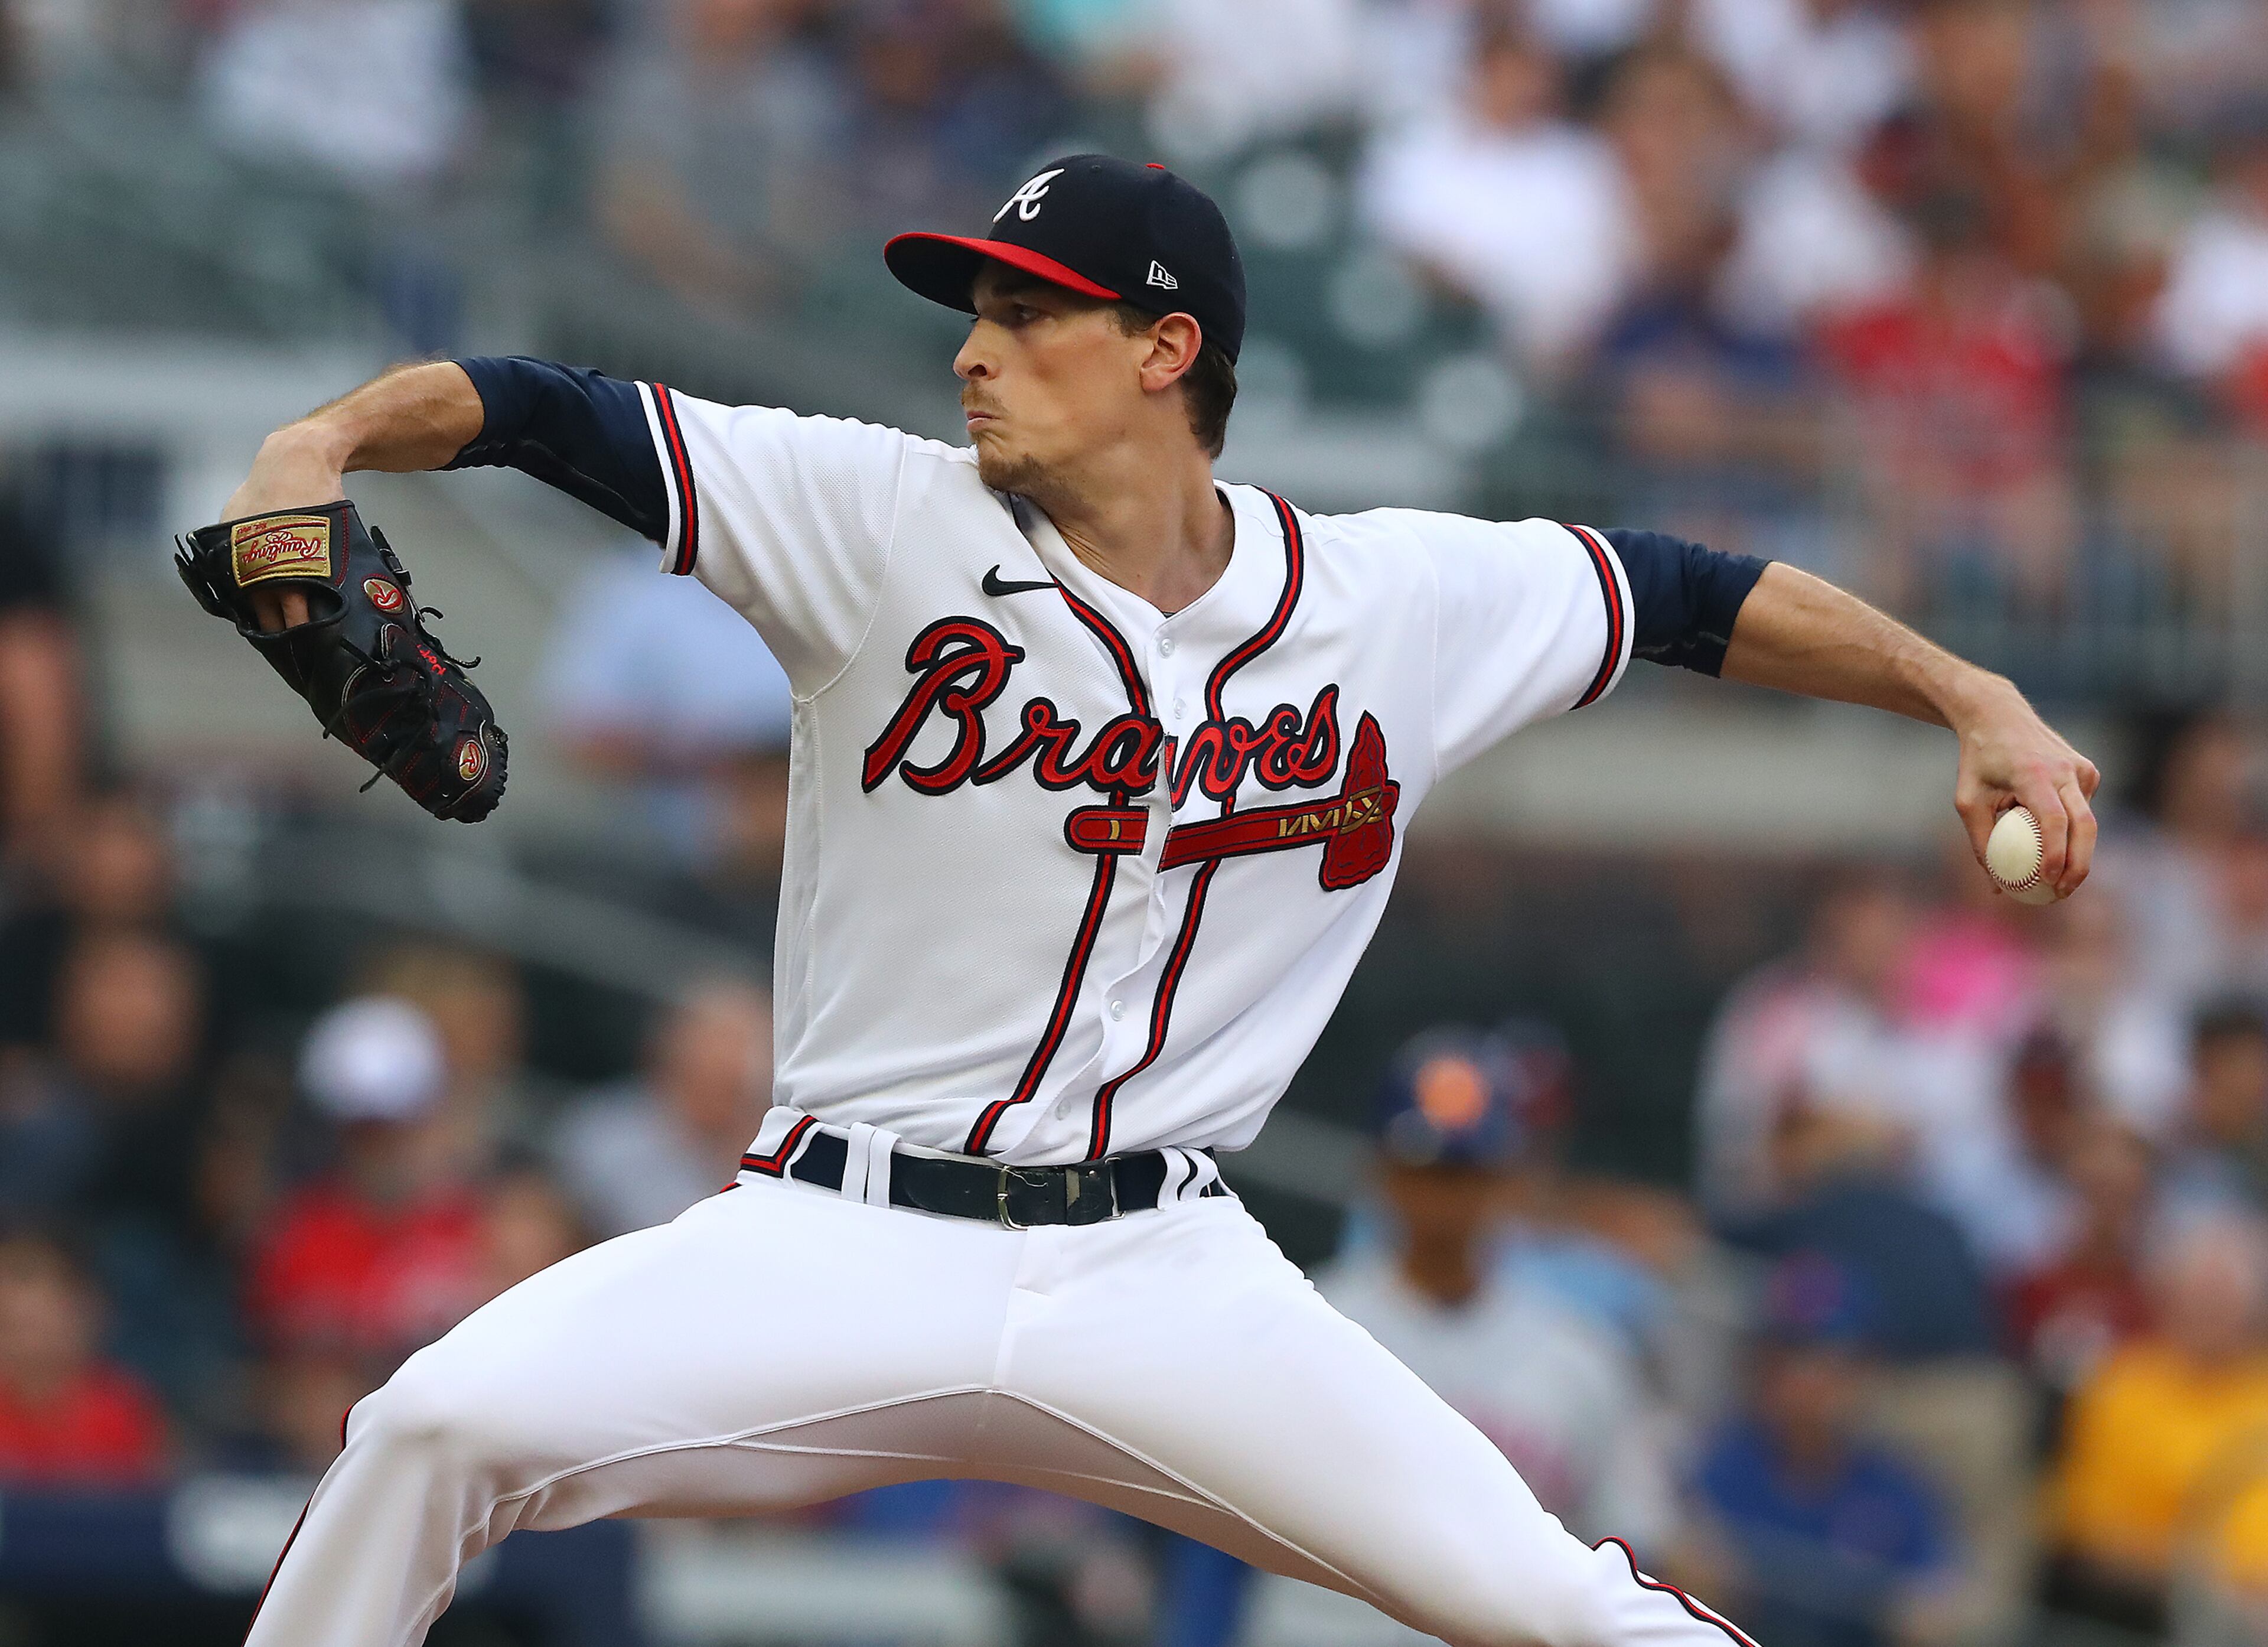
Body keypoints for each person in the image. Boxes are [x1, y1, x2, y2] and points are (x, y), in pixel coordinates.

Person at [213, 153, 2096, 1647]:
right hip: (834, 1235)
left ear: (1161, 349)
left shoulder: (1394, 602)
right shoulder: (869, 518)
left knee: (1556, 1604)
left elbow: (1688, 593)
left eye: (1025, 313)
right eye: (972, 310)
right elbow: (543, 410)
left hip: (1160, 1274)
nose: (970, 348)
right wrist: (319, 447)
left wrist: (1968, 690)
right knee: (427, 1433)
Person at [1687, 1254, 1957, 1647]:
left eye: (1834, 1363)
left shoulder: (1896, 1486)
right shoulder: (1716, 1458)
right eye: (1793, 1360)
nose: (1811, 1383)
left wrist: (1923, 1610)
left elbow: (1938, 1596)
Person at [552, 977, 775, 1238]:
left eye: (747, 1045)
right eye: (719, 1040)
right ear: (676, 1047)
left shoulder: (769, 1156)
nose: (730, 1061)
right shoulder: (603, 1136)